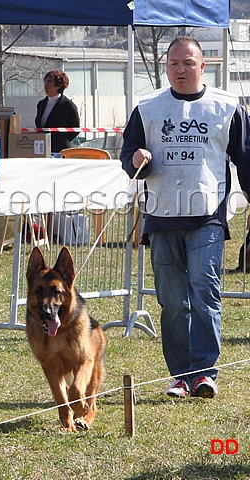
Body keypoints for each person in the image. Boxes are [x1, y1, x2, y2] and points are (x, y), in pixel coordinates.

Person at [120, 36, 250, 399]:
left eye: (188, 63)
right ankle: (180, 375)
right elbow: (128, 151)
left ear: (202, 66)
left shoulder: (227, 107)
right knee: (173, 300)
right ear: (166, 66)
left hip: (206, 215)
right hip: (161, 216)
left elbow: (246, 157)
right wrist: (135, 159)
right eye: (174, 63)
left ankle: (205, 372)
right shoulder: (148, 108)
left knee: (205, 292)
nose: (181, 69)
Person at [34, 69, 80, 154]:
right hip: (42, 149)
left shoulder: (68, 106)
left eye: (49, 81)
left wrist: (62, 139)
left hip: (60, 151)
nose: (46, 84)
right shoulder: (41, 104)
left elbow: (75, 129)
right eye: (45, 81)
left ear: (58, 85)